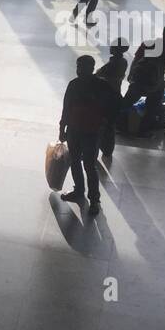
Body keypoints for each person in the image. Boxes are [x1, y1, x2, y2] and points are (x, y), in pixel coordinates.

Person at [58, 54, 119, 216]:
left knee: (89, 166)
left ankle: (93, 199)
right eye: (78, 67)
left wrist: (105, 124)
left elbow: (113, 106)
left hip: (91, 132)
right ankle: (80, 191)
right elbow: (66, 108)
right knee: (76, 161)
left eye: (82, 67)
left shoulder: (101, 86)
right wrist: (62, 128)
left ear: (91, 69)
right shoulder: (75, 84)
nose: (79, 70)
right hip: (76, 130)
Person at [122, 24, 165, 133]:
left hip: (138, 79)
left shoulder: (147, 44)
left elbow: (136, 59)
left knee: (126, 102)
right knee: (152, 106)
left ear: (163, 33)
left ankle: (117, 122)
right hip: (155, 83)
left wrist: (131, 74)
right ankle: (145, 129)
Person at [95, 39, 130, 164]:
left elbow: (97, 75)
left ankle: (99, 148)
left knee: (101, 125)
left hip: (106, 99)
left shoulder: (111, 65)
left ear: (115, 49)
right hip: (116, 97)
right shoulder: (123, 62)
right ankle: (108, 150)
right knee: (110, 126)